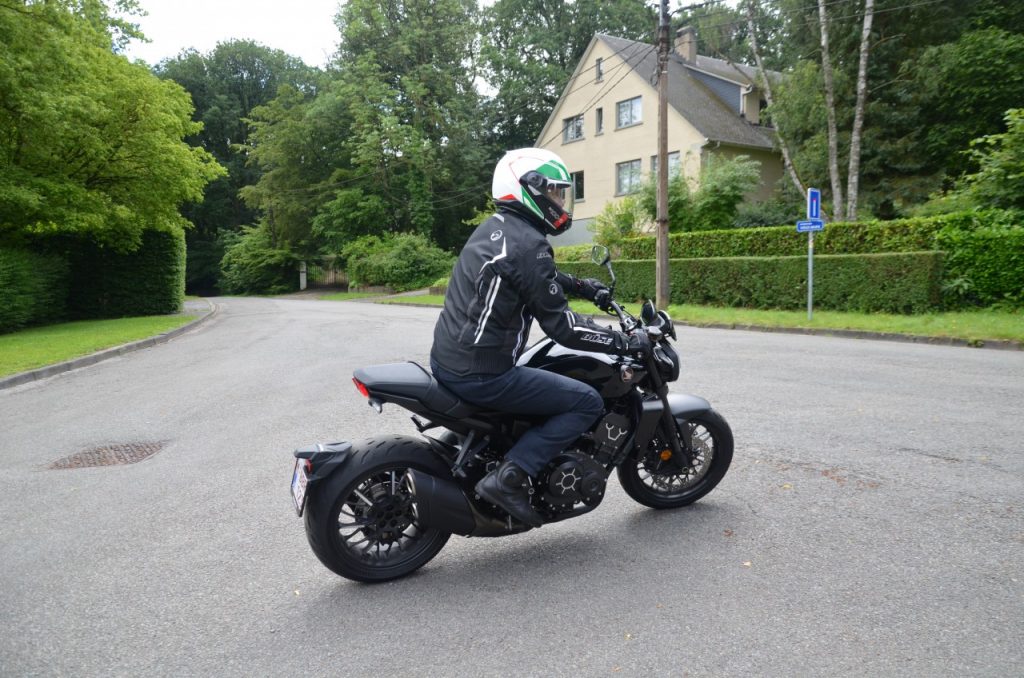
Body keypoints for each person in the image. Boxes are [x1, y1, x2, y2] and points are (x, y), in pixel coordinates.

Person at [429, 148, 649, 528]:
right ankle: (510, 477)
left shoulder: (498, 228)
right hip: (483, 373)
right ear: (530, 189)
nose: (560, 201)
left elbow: (531, 278)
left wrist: (580, 285)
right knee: (585, 401)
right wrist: (623, 343)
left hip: (452, 359)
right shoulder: (529, 244)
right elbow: (562, 327)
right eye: (555, 192)